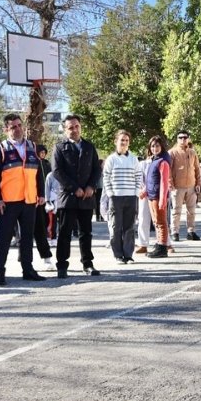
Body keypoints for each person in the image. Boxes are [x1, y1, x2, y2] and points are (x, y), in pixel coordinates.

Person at [0, 113, 47, 285]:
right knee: (4, 237)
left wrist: (41, 194)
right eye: (13, 127)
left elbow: (39, 174)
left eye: (19, 125)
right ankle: (0, 271)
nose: (17, 129)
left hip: (29, 199)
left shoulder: (32, 146)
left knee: (27, 237)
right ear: (6, 129)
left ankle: (28, 269)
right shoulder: (0, 148)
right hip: (8, 201)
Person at [51, 114, 101, 278]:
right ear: (65, 130)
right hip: (68, 197)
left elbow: (96, 169)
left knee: (85, 233)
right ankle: (62, 266)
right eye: (70, 127)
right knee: (65, 233)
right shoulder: (59, 147)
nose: (74, 130)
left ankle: (87, 264)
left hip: (86, 197)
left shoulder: (89, 146)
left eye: (76, 126)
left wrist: (91, 187)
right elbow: (57, 172)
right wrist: (74, 188)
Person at [103, 130, 142, 264]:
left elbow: (138, 176)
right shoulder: (111, 159)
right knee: (116, 227)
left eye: (126, 140)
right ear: (116, 142)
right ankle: (118, 255)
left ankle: (128, 255)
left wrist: (136, 192)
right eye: (121, 140)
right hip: (116, 197)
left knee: (129, 227)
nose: (124, 143)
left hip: (131, 196)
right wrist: (110, 193)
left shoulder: (133, 159)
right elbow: (106, 177)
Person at [142, 135, 172, 258]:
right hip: (151, 196)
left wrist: (163, 199)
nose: (155, 148)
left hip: (158, 197)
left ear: (162, 147)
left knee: (161, 222)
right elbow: (150, 179)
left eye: (157, 145)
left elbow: (164, 183)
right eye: (153, 146)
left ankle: (163, 247)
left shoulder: (163, 161)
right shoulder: (154, 160)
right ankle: (159, 244)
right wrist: (145, 191)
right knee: (156, 222)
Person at [169, 130, 200, 241]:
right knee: (176, 211)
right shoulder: (172, 152)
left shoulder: (192, 152)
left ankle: (191, 232)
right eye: (180, 137)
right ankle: (175, 232)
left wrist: (198, 183)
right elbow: (168, 170)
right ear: (177, 139)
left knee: (191, 211)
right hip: (177, 187)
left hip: (191, 186)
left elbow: (197, 169)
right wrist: (170, 184)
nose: (183, 139)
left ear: (188, 139)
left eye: (185, 137)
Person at [33, 144, 54, 269]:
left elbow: (42, 180)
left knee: (40, 229)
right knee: (20, 233)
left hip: (36, 200)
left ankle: (46, 258)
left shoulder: (41, 163)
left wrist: (42, 195)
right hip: (16, 200)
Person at [134, 152, 152, 254]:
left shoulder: (162, 161)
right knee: (143, 219)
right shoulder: (142, 164)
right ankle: (143, 244)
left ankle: (165, 243)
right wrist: (140, 190)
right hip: (143, 194)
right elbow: (139, 179)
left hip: (157, 193)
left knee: (161, 221)